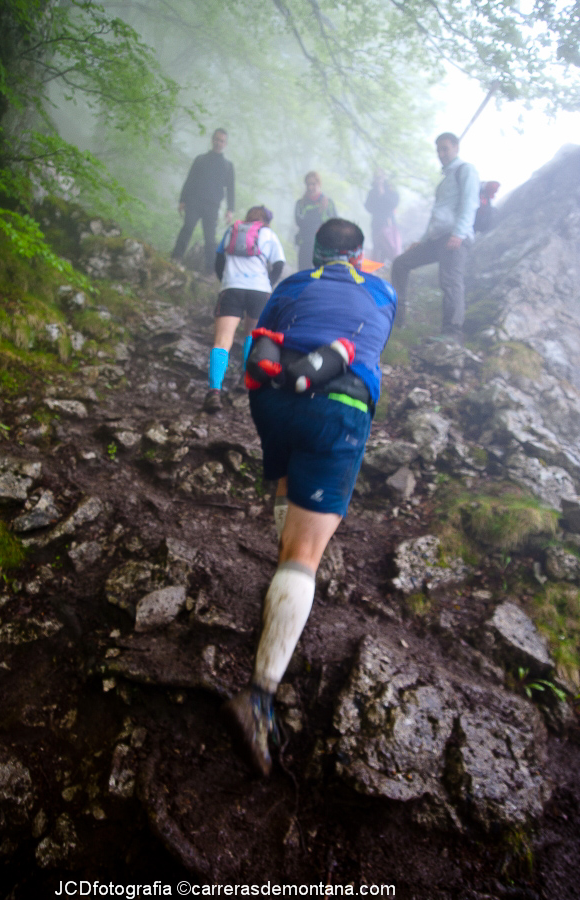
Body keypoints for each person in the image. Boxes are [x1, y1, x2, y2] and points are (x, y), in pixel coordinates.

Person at [223, 218, 397, 776]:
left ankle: (283, 583)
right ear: (359, 255)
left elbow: (263, 338)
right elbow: (372, 339)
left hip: (273, 402)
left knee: (287, 476)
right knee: (305, 554)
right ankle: (257, 698)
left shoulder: (294, 283)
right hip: (338, 405)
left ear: (316, 252)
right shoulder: (382, 291)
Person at [390, 132, 479, 343]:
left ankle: (452, 332)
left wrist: (459, 233)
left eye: (445, 149)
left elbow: (470, 203)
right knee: (401, 263)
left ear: (456, 147)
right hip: (437, 238)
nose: (441, 154)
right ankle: (397, 319)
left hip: (455, 236)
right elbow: (438, 214)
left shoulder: (466, 170)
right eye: (438, 150)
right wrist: (423, 240)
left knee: (450, 281)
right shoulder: (446, 179)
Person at [204, 205, 286, 412]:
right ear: (266, 221)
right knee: (253, 334)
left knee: (222, 340)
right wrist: (268, 283)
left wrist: (225, 280)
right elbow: (279, 264)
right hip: (259, 290)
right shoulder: (269, 235)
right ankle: (245, 378)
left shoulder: (232, 231)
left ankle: (214, 391)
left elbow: (219, 259)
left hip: (232, 288)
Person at [171, 128, 235, 275]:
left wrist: (230, 209)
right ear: (212, 140)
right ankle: (176, 257)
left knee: (210, 239)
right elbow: (190, 180)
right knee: (187, 228)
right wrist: (182, 200)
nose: (218, 143)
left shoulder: (227, 166)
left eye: (222, 141)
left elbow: (231, 189)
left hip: (212, 206)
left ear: (225, 144)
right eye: (217, 139)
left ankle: (209, 270)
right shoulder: (200, 159)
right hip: (194, 201)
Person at [294, 172, 337, 270]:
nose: (310, 187)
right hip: (305, 245)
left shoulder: (329, 203)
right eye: (308, 184)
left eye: (313, 184)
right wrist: (319, 212)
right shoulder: (300, 203)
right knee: (304, 273)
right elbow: (300, 222)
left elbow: (334, 224)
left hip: (324, 247)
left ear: (319, 184)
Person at [365, 168, 400, 263]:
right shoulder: (372, 192)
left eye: (380, 176)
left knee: (389, 248)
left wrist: (382, 193)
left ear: (384, 177)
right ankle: (375, 266)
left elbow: (393, 203)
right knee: (376, 249)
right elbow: (368, 207)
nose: (378, 179)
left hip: (388, 224)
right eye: (376, 177)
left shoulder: (391, 190)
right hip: (376, 225)